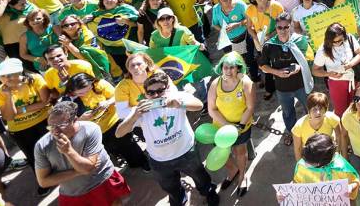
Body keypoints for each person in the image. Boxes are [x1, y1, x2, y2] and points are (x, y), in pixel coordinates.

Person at [115, 70, 219, 206]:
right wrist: (135, 116)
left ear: (167, 88)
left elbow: (199, 105)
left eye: (160, 91)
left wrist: (180, 104)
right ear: (145, 94)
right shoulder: (140, 110)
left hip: (187, 152)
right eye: (151, 93)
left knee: (200, 177)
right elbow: (119, 133)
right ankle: (178, 200)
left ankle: (208, 192)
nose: (156, 95)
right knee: (170, 187)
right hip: (160, 161)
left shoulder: (177, 97)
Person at [34, 100, 131, 205]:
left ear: (75, 120)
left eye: (61, 125)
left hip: (102, 181)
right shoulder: (42, 146)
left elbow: (87, 168)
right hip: (74, 193)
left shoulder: (90, 129)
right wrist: (77, 172)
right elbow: (43, 181)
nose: (55, 131)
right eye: (51, 127)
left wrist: (68, 151)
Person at [63, 72, 148, 171]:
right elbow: (67, 123)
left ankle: (142, 162)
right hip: (96, 131)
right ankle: (129, 162)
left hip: (114, 121)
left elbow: (118, 97)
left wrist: (108, 102)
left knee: (129, 145)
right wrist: (81, 119)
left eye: (88, 89)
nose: (85, 94)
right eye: (80, 93)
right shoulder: (69, 100)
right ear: (72, 91)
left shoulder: (100, 84)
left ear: (92, 82)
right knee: (112, 149)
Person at [0, 58, 50, 193]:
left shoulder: (35, 79)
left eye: (9, 74)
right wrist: (8, 96)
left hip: (44, 121)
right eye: (2, 76)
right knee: (33, 157)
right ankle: (44, 182)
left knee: (54, 149)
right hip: (20, 129)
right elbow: (8, 117)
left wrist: (21, 110)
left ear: (20, 72)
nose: (6, 79)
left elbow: (46, 102)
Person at [258, 11, 313, 147]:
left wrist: (299, 67)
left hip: (301, 84)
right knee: (288, 113)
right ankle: (291, 132)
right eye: (279, 27)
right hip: (283, 88)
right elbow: (262, 66)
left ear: (291, 27)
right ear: (275, 28)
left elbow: (309, 58)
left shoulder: (300, 40)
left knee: (310, 108)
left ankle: (312, 131)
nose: (282, 30)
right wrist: (276, 72)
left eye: (286, 27)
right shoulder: (269, 45)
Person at [207, 52, 254, 196]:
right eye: (225, 67)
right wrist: (227, 125)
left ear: (238, 68)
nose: (228, 71)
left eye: (232, 67)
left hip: (241, 126)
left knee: (240, 152)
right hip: (220, 128)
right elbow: (211, 109)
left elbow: (250, 107)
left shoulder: (246, 82)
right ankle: (233, 170)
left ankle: (242, 176)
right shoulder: (215, 84)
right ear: (221, 68)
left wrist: (239, 126)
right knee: (223, 153)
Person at [283, 133, 360, 203]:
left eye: (310, 163)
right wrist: (287, 192)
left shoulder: (341, 168)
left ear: (322, 164)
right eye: (305, 159)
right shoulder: (302, 165)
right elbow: (297, 184)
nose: (305, 164)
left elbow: (354, 181)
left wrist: (350, 187)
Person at [312, 22, 360, 116]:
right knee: (341, 111)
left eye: (340, 40)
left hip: (354, 80)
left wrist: (350, 64)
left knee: (355, 106)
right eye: (334, 42)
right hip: (337, 83)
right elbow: (315, 70)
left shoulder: (349, 38)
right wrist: (328, 74)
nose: (338, 43)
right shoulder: (323, 50)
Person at [291, 91, 341, 162]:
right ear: (308, 111)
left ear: (326, 109)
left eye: (321, 108)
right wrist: (300, 166)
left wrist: (337, 154)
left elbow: (339, 136)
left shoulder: (332, 118)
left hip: (328, 153)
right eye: (314, 109)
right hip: (310, 156)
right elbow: (298, 149)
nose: (318, 112)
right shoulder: (299, 126)